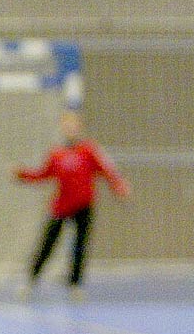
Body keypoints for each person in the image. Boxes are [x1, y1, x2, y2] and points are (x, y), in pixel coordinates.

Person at [14, 110, 130, 298]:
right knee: (47, 244)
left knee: (80, 245)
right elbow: (43, 174)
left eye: (74, 125)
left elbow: (107, 171)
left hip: (84, 205)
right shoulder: (56, 154)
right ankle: (31, 279)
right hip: (61, 206)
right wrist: (24, 175)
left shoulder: (89, 150)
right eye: (67, 125)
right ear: (62, 128)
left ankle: (75, 284)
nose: (71, 129)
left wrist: (119, 186)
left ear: (79, 127)